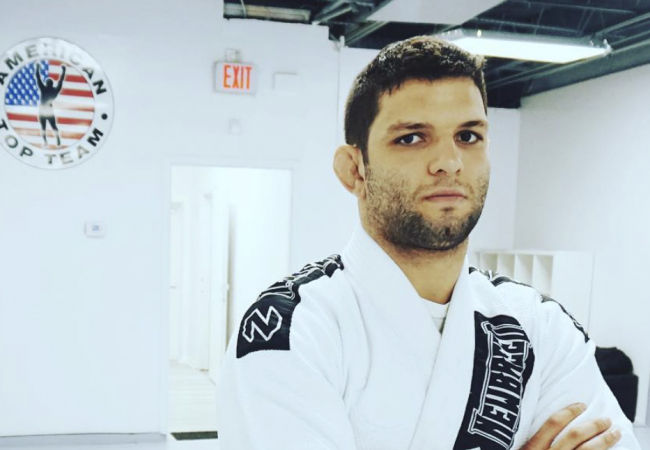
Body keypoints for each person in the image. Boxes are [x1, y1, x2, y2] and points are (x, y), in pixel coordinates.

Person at [216, 36, 640, 450]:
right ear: (354, 170)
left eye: (468, 136)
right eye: (411, 138)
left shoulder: (538, 326)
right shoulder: (294, 329)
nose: (449, 163)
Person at [36, 62, 67, 147]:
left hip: (43, 110)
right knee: (53, 126)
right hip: (49, 110)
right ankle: (56, 139)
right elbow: (61, 81)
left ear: (46, 83)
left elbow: (38, 78)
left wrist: (37, 68)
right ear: (52, 84)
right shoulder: (54, 91)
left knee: (44, 127)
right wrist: (63, 71)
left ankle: (46, 141)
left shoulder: (44, 89)